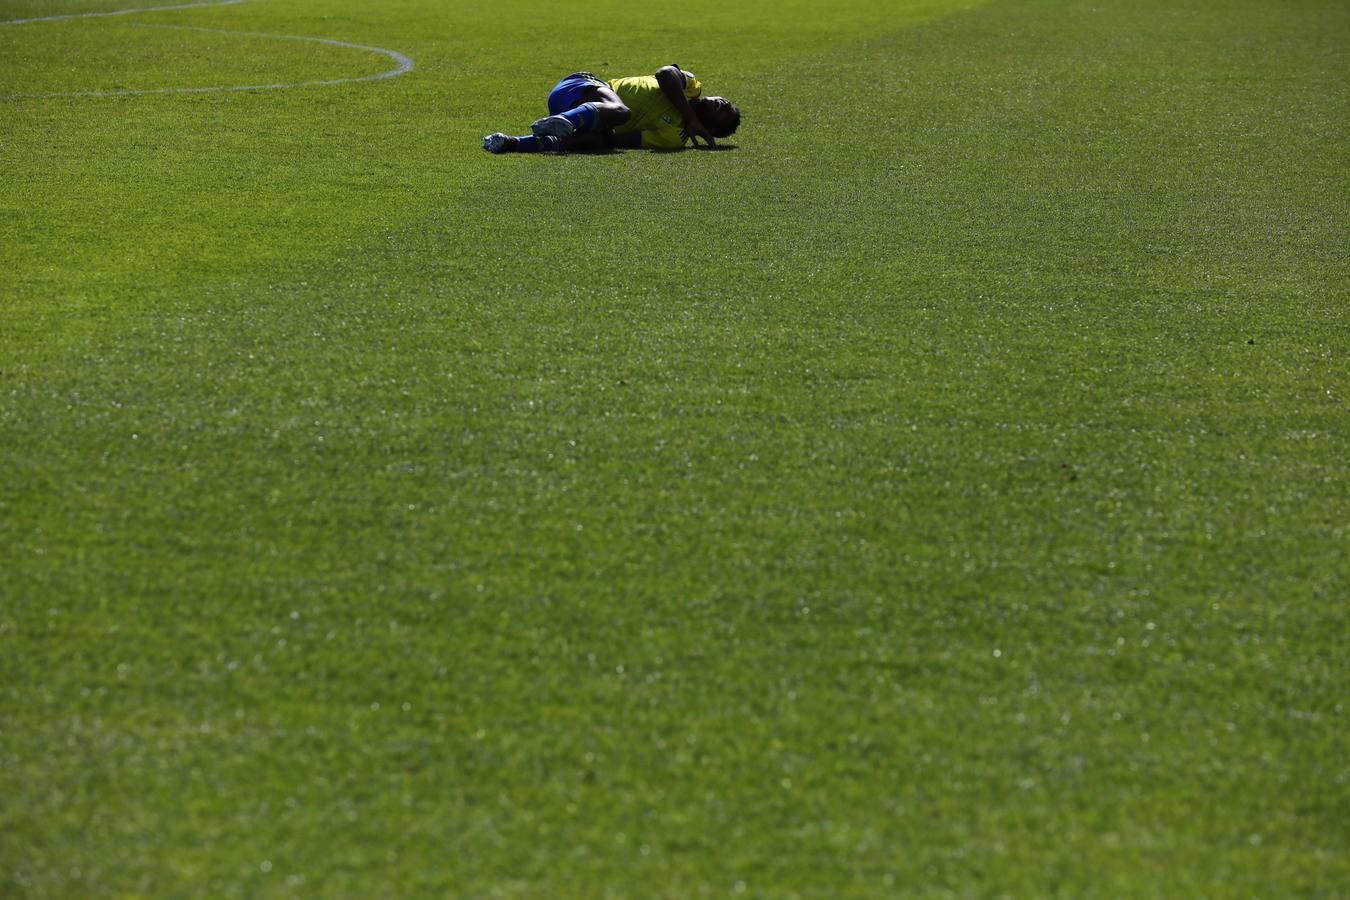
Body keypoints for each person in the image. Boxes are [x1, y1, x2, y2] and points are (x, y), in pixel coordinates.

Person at [483, 64, 740, 153]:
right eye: (725, 101)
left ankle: (512, 143)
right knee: (621, 112)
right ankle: (563, 120)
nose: (722, 104)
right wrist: (690, 115)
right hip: (581, 86)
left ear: (711, 130)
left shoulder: (674, 138)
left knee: (596, 141)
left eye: (724, 112)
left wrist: (592, 141)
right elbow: (664, 74)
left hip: (585, 117)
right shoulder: (691, 86)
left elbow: (619, 139)